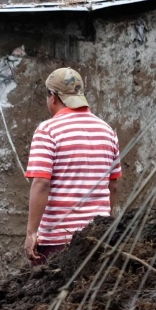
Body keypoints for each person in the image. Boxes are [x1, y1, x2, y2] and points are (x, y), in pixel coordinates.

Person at [23, 68, 122, 266]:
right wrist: (101, 224)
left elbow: (41, 183)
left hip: (57, 242)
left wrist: (32, 232)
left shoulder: (48, 130)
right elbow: (114, 186)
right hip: (97, 240)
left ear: (53, 97)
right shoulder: (107, 131)